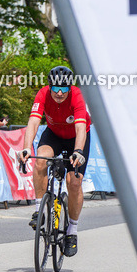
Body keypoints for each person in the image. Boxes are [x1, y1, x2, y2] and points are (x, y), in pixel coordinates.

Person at [17, 66, 92, 257]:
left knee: (74, 182)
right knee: (40, 160)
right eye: (56, 88)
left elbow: (81, 129)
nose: (59, 93)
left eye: (64, 89)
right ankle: (38, 210)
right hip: (54, 134)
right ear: (49, 86)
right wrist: (26, 148)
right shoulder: (43, 94)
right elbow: (33, 122)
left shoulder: (78, 96)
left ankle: (72, 232)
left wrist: (78, 151)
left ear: (70, 87)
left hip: (76, 137)